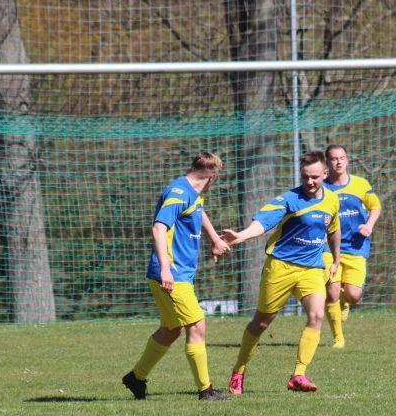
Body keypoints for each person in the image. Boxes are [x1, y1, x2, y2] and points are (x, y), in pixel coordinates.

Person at [220, 150, 341, 394]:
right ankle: (239, 371)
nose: (309, 182)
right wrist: (241, 236)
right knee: (261, 323)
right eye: (305, 177)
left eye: (315, 177)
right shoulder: (289, 199)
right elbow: (262, 223)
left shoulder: (332, 200)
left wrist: (336, 260)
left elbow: (333, 229)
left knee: (317, 315)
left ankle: (298, 375)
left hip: (312, 268)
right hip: (281, 267)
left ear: (325, 174)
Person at [122, 152, 232, 401]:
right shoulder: (178, 193)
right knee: (197, 324)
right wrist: (165, 268)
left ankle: (136, 378)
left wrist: (215, 239)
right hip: (172, 273)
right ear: (212, 176)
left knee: (171, 329)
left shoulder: (192, 192)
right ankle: (206, 390)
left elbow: (198, 210)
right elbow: (158, 228)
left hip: (176, 273)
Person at [322, 144, 382, 349]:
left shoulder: (360, 184)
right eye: (334, 158)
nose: (338, 162)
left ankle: (345, 301)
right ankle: (338, 338)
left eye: (342, 158)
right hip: (330, 248)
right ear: (327, 162)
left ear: (347, 160)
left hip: (356, 245)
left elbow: (375, 206)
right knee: (331, 291)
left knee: (354, 295)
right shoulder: (322, 187)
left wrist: (369, 225)